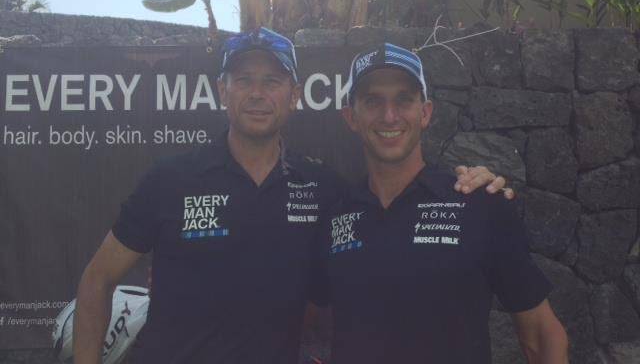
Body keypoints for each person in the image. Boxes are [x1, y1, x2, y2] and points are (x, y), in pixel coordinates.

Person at [72, 29, 511, 364]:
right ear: (223, 92)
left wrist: (478, 179)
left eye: (273, 81)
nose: (258, 94)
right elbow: (97, 280)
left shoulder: (325, 190)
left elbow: (332, 296)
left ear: (295, 96)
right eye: (244, 80)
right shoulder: (171, 179)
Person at [322, 43, 568, 364]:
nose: (389, 115)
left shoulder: (479, 203)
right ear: (351, 117)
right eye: (372, 101)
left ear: (425, 113)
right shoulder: (335, 213)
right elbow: (314, 318)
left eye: (404, 100)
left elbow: (540, 335)